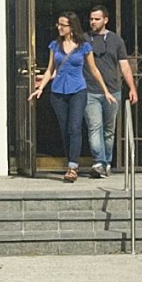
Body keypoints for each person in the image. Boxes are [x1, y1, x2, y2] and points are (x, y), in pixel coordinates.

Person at [29, 11, 93, 181]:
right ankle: (69, 161)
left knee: (75, 127)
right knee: (65, 130)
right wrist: (41, 88)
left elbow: (93, 69)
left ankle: (73, 167)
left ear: (71, 27)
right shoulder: (55, 46)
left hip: (78, 89)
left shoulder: (83, 46)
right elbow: (50, 69)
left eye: (62, 25)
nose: (59, 27)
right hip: (58, 92)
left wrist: (106, 90)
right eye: (58, 24)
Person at [82, 3, 138, 177]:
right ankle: (98, 161)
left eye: (97, 19)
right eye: (91, 19)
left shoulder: (116, 40)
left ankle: (106, 162)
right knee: (94, 126)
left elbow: (124, 66)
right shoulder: (84, 39)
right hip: (90, 90)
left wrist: (132, 87)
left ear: (105, 20)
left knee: (109, 129)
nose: (93, 22)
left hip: (113, 90)